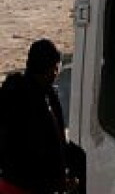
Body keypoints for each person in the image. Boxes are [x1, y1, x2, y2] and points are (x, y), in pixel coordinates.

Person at [0, 40, 73, 194]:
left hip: (11, 182)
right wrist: (59, 182)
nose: (56, 73)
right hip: (26, 186)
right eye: (56, 68)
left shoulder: (17, 92)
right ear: (50, 69)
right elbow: (39, 152)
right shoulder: (34, 101)